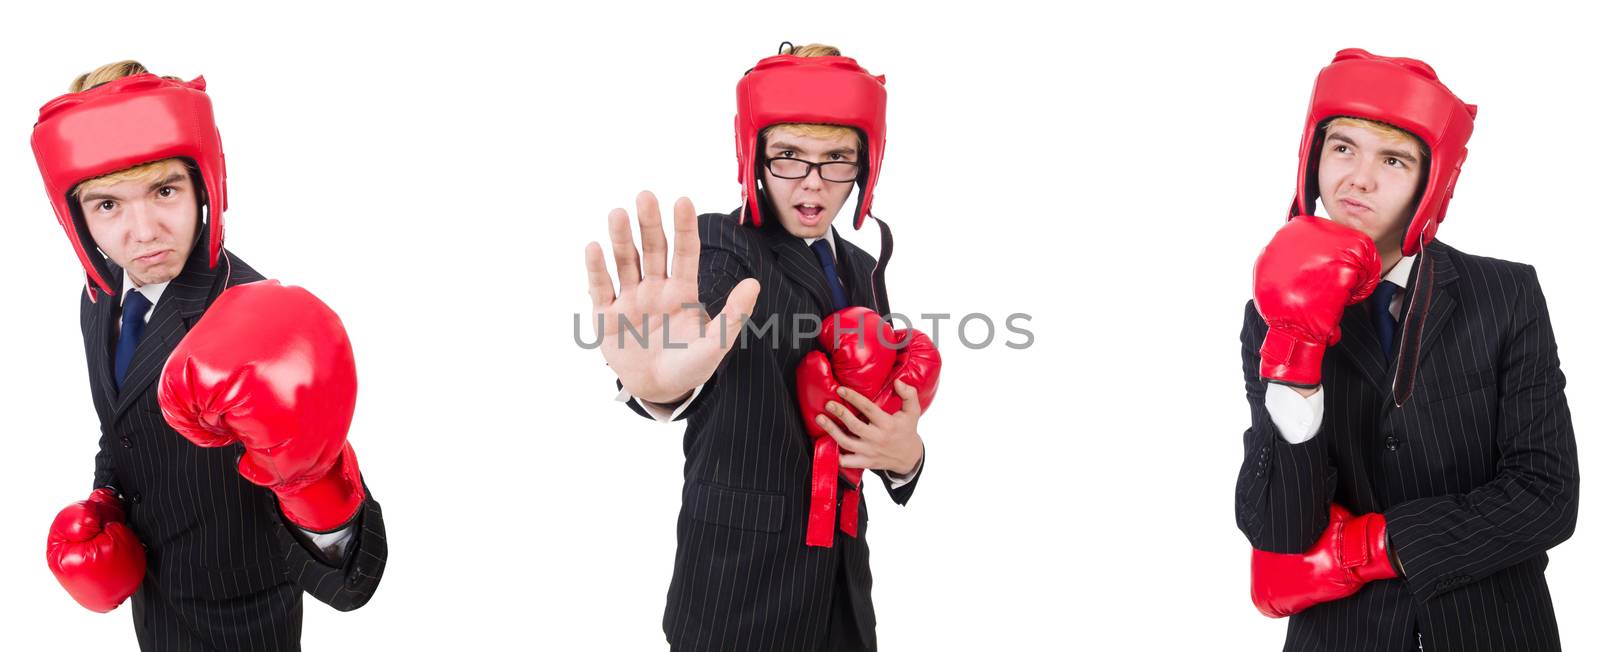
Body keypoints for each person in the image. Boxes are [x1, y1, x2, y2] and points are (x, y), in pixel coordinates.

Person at [583, 43, 935, 651]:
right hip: (738, 598)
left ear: (865, 166)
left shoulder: (859, 267)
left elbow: (868, 418)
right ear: (755, 157)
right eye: (790, 157)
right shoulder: (724, 247)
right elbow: (693, 339)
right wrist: (659, 387)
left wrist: (905, 458)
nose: (814, 183)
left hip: (841, 602)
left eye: (838, 160)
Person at [33, 61, 388, 652]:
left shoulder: (253, 320)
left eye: (163, 190)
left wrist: (313, 485)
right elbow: (119, 425)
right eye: (108, 206)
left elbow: (355, 581)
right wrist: (106, 500)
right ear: (77, 216)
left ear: (205, 185)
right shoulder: (101, 296)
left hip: (244, 624)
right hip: (156, 610)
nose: (141, 233)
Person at [1237, 49, 1578, 651]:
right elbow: (1280, 530)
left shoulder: (1506, 293)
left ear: (1432, 180)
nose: (1358, 178)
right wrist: (1296, 352)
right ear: (1313, 156)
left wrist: (1376, 545)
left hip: (1494, 632)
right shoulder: (1269, 312)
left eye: (1392, 159)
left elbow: (1546, 497)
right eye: (1343, 147)